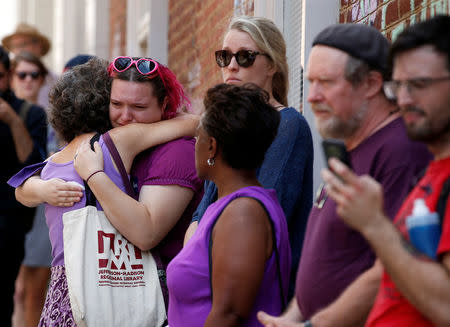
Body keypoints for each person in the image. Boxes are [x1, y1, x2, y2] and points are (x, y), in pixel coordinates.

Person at [258, 23, 433, 327]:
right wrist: (292, 317)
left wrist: (315, 324)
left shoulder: (400, 151)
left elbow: (391, 268)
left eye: (325, 82)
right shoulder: (349, 148)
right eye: (310, 82)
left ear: (371, 83)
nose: (312, 97)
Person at [10, 57, 199, 326]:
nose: (125, 116)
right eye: (117, 104)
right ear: (104, 105)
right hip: (109, 282)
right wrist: (174, 114)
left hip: (63, 292)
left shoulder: (54, 162)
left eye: (137, 106)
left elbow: (20, 189)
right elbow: (194, 125)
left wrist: (41, 189)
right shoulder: (117, 142)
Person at [322, 15, 450, 327]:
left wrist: (375, 224)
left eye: (419, 85)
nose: (404, 99)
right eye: (399, 86)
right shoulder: (431, 175)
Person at [187, 16, 314, 297]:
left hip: (258, 295)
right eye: (224, 56)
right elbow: (200, 215)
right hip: (213, 283)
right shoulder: (225, 130)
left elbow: (256, 220)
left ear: (272, 65)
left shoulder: (289, 126)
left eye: (245, 56)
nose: (232, 66)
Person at [167, 83, 291, 326]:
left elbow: (229, 314)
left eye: (198, 136)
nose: (195, 144)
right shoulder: (227, 207)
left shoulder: (244, 213)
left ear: (212, 146)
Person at [0, 46, 47, 327]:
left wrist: (11, 120)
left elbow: (31, 165)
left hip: (9, 223)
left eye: (0, 76)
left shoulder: (30, 114)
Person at [2, 22, 57, 110]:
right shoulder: (4, 76)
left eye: (22, 44)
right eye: (14, 46)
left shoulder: (54, 80)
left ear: (38, 46)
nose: (18, 50)